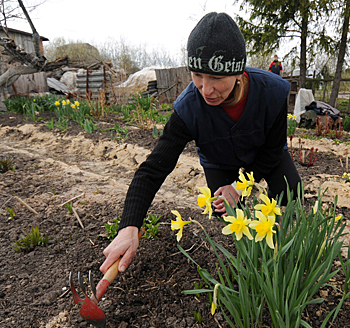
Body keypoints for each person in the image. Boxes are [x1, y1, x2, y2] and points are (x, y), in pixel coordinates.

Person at [100, 12, 302, 275]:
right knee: (227, 213)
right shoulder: (189, 108)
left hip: (263, 153)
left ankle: (286, 253)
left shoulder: (272, 93)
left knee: (292, 192)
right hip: (218, 158)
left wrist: (240, 186)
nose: (205, 90)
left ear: (239, 73)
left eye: (216, 78)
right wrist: (129, 226)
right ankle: (250, 268)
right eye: (197, 75)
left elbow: (273, 152)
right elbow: (153, 169)